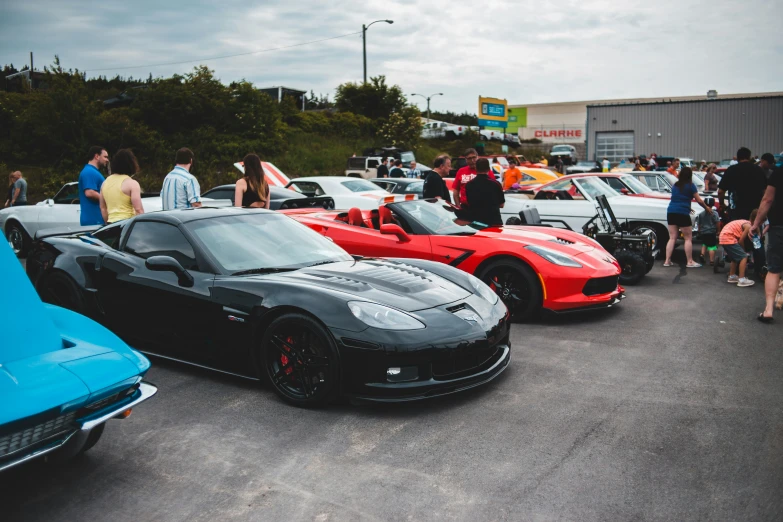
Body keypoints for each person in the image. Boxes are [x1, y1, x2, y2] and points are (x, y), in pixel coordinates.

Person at [663, 167, 712, 268]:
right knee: (688, 238)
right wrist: (707, 208)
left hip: (671, 211)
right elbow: (699, 200)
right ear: (690, 175)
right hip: (682, 213)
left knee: (672, 238)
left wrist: (688, 207)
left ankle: (667, 261)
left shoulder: (675, 185)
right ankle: (689, 261)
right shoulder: (691, 186)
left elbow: (679, 198)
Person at [752, 165, 781, 322]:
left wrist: (756, 223)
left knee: (774, 269)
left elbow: (768, 199)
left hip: (779, 226)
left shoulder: (779, 172)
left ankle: (769, 309)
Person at [718, 147, 766, 222]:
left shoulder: (731, 170)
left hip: (736, 211)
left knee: (737, 231)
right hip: (754, 210)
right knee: (754, 231)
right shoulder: (758, 170)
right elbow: (764, 191)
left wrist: (722, 204)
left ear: (737, 158)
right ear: (749, 157)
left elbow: (720, 191)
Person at [99, 149, 144, 224]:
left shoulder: (104, 183)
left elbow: (103, 208)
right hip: (127, 224)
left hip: (111, 223)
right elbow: (138, 209)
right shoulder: (132, 183)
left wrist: (108, 225)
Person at [719, 210, 756, 287]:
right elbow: (741, 240)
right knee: (744, 257)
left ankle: (732, 276)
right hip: (729, 237)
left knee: (734, 258)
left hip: (723, 237)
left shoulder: (744, 222)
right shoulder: (748, 226)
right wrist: (743, 250)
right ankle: (742, 279)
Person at [465, 158, 504, 226]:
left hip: (476, 223)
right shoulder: (496, 184)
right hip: (494, 222)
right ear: (489, 169)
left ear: (476, 169)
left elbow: (469, 203)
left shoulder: (469, 185)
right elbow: (501, 204)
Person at [79, 146, 108, 225]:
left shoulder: (93, 171)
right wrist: (108, 199)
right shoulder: (89, 172)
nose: (107, 160)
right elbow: (89, 192)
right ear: (97, 156)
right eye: (105, 157)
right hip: (93, 220)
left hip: (97, 220)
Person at [697, 196, 720, 265]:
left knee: (705, 244)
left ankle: (702, 254)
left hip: (703, 232)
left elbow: (699, 224)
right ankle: (712, 261)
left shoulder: (701, 214)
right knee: (712, 246)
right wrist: (718, 231)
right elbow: (717, 223)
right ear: (713, 204)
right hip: (711, 232)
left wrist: (699, 231)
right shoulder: (714, 213)